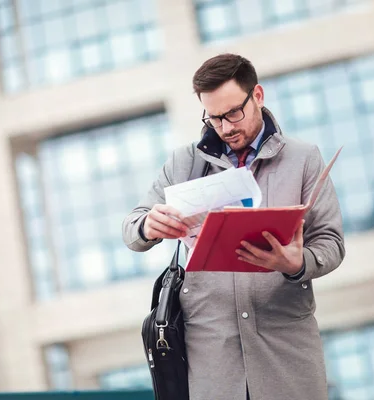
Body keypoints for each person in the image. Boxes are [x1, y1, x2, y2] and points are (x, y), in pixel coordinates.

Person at [122, 53, 345, 400]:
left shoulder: (303, 159)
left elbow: (331, 242)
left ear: (257, 95)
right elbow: (131, 228)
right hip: (211, 360)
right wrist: (147, 226)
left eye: (233, 114)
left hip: (286, 354)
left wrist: (296, 264)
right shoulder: (184, 162)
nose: (225, 128)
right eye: (214, 118)